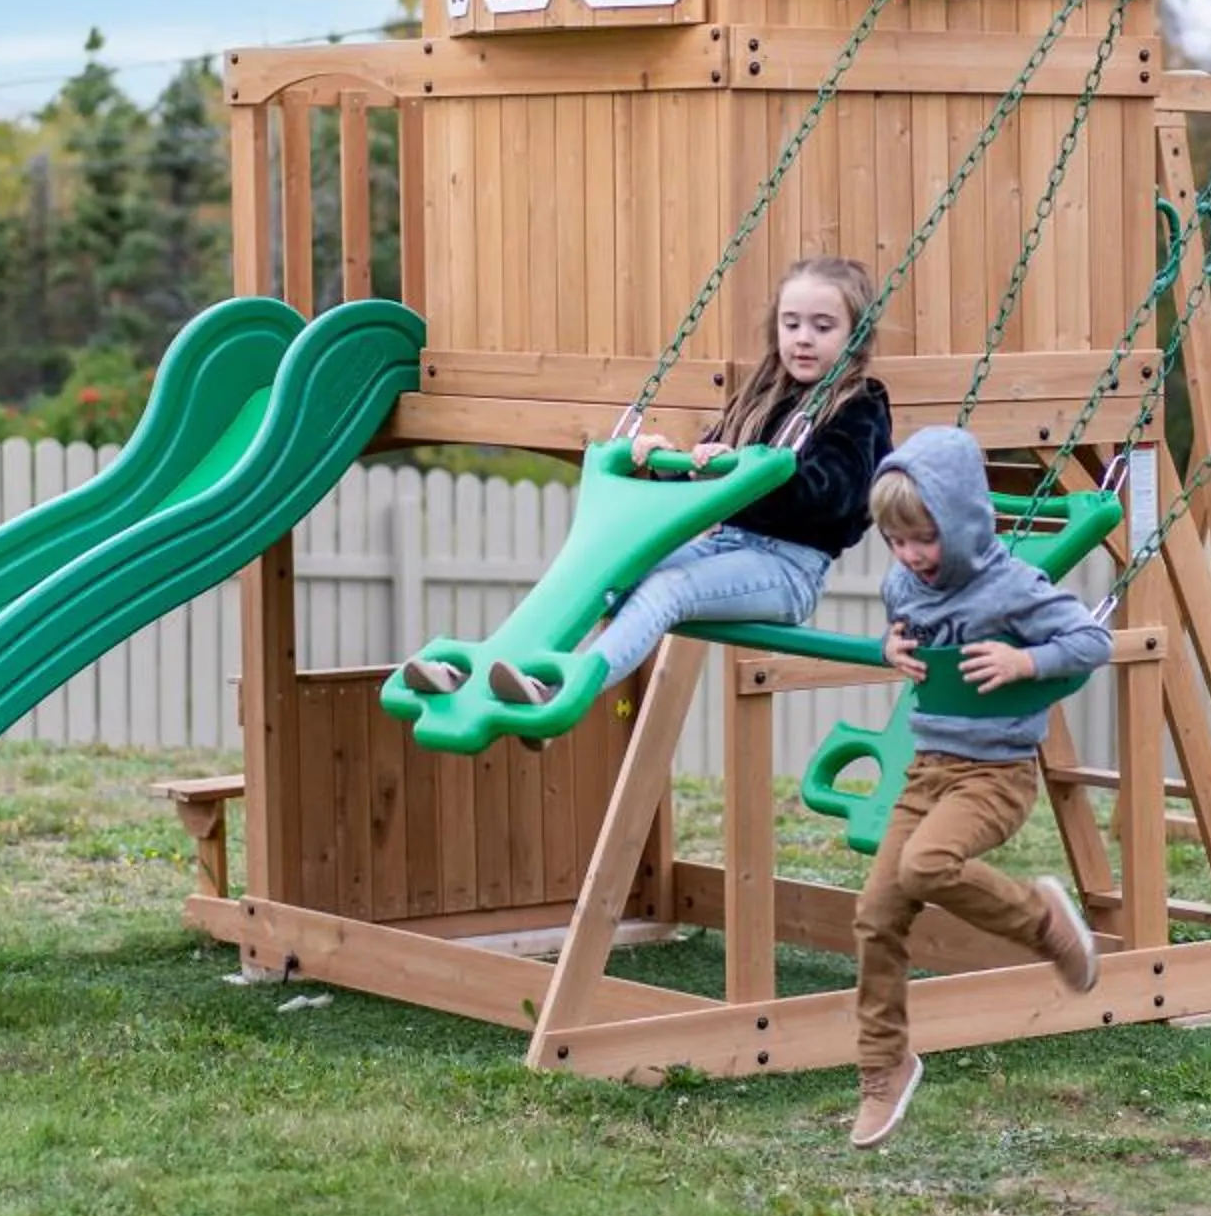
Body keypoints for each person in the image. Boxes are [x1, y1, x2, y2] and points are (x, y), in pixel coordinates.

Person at [400, 255, 892, 706]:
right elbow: (698, 484)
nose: (803, 337)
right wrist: (661, 462)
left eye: (823, 326)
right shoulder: (760, 395)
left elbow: (834, 495)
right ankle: (485, 672)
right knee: (604, 571)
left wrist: (743, 472)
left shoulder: (860, 405)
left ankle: (560, 689)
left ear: (856, 334)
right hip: (724, 546)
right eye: (792, 324)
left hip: (788, 569)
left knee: (666, 591)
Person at [850, 425, 1113, 1149]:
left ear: (964, 523)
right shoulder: (902, 582)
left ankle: (1043, 921)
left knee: (925, 866)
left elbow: (1093, 642)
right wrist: (889, 647)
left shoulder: (1012, 586)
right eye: (897, 541)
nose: (911, 557)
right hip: (927, 768)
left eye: (924, 539)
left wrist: (1024, 663)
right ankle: (885, 1066)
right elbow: (902, 627)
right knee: (875, 914)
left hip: (995, 774)